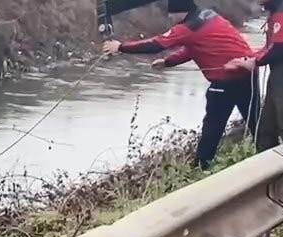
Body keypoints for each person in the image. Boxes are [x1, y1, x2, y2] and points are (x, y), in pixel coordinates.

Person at [103, 0, 259, 169]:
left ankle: (202, 167)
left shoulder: (187, 27)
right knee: (256, 120)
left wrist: (121, 47)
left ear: (179, 11)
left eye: (171, 15)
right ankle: (268, 152)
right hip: (248, 73)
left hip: (226, 80)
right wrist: (168, 62)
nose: (170, 19)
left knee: (212, 128)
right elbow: (194, 47)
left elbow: (156, 44)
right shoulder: (208, 16)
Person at [226, 0, 283, 150]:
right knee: (266, 129)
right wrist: (249, 59)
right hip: (278, 77)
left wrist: (255, 62)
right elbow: (270, 47)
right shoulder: (276, 10)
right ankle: (265, 158)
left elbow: (280, 48)